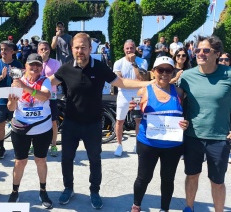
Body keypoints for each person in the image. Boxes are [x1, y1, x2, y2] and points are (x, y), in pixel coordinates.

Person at [48, 33, 152, 209]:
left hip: (93, 124)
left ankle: (94, 191)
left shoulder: (100, 67)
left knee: (94, 160)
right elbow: (47, 83)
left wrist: (147, 84)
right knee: (66, 158)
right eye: (76, 47)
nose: (80, 51)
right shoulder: (65, 69)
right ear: (72, 49)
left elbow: (122, 83)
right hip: (71, 123)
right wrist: (26, 84)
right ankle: (68, 188)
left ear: (90, 48)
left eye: (83, 47)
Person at [180, 35, 231, 212]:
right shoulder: (187, 75)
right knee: (191, 176)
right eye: (198, 50)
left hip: (219, 138)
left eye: (206, 50)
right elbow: (173, 100)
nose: (201, 53)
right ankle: (189, 208)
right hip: (192, 136)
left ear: (217, 54)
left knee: (217, 181)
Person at [129, 56, 188, 212]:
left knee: (168, 179)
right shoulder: (144, 91)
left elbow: (186, 116)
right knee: (144, 178)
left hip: (173, 146)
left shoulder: (180, 92)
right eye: (160, 70)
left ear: (172, 72)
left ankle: (164, 209)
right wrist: (133, 110)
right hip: (148, 144)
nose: (164, 73)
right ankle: (136, 205)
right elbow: (136, 114)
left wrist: (185, 123)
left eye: (168, 70)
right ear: (153, 71)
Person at [7, 53, 53, 209]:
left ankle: (43, 190)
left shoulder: (44, 80)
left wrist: (26, 87)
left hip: (42, 128)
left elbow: (46, 96)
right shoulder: (16, 82)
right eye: (31, 65)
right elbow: (11, 107)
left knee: (40, 160)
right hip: (21, 127)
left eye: (38, 65)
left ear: (42, 67)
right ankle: (14, 191)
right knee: (20, 161)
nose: (34, 68)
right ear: (25, 66)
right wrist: (12, 101)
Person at [113, 39, 148, 157]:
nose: (129, 50)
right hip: (123, 95)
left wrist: (134, 64)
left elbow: (142, 79)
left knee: (138, 121)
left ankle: (138, 144)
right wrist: (134, 82)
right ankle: (119, 144)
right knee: (119, 121)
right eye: (127, 48)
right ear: (124, 49)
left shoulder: (142, 62)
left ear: (135, 49)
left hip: (138, 95)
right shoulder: (118, 63)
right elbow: (119, 82)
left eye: (131, 48)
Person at [0, 41, 23, 159]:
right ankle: (1, 147)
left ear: (12, 51)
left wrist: (16, 75)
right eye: (1, 49)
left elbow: (23, 81)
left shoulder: (18, 64)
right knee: (0, 125)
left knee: (16, 125)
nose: (3, 52)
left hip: (15, 99)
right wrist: (2, 77)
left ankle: (18, 148)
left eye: (5, 49)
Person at [38, 40, 61, 156]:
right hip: (37, 96)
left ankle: (53, 145)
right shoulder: (35, 63)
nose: (44, 51)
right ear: (38, 51)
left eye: (46, 49)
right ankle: (34, 144)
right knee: (37, 121)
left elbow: (58, 78)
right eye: (41, 49)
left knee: (53, 122)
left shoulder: (56, 63)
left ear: (49, 49)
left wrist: (44, 80)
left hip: (51, 96)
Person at [218, 52, 231, 164]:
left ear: (230, 61)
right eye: (221, 59)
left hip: (230, 108)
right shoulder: (214, 73)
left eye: (226, 59)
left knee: (228, 132)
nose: (223, 61)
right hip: (216, 108)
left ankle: (227, 153)